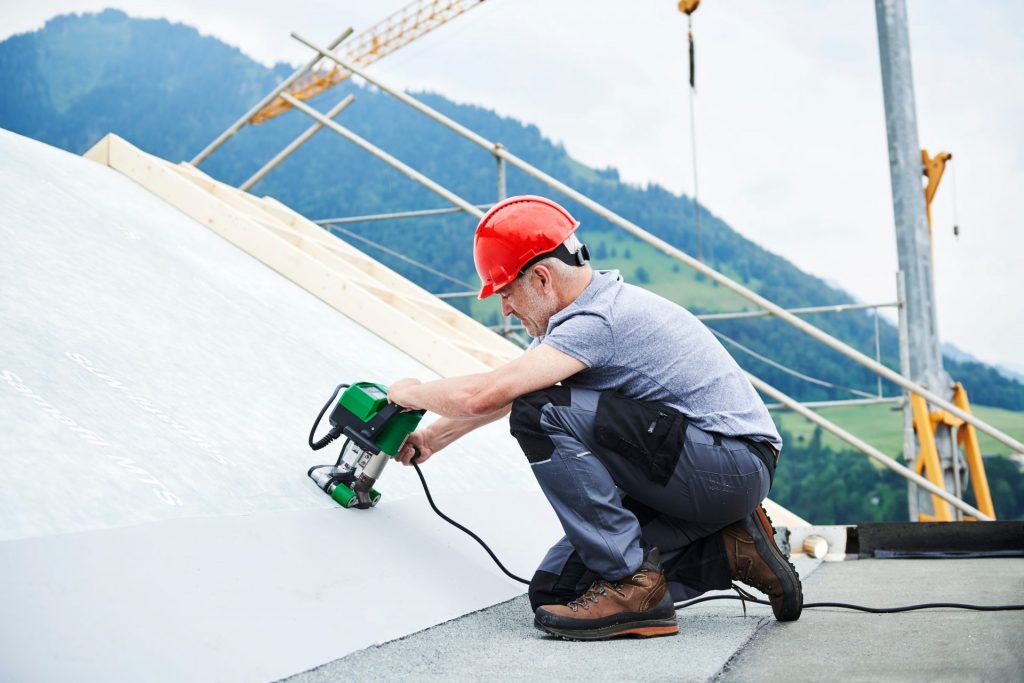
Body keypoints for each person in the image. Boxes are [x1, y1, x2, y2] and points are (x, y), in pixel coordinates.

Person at [387, 195, 802, 641]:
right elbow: (505, 393)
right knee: (555, 591)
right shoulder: (575, 319)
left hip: (732, 464)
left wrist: (410, 393)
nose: (505, 308)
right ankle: (733, 550)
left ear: (542, 278)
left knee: (542, 411)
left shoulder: (597, 320)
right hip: (696, 470)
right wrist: (432, 438)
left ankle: (631, 584)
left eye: (507, 292)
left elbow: (486, 394)